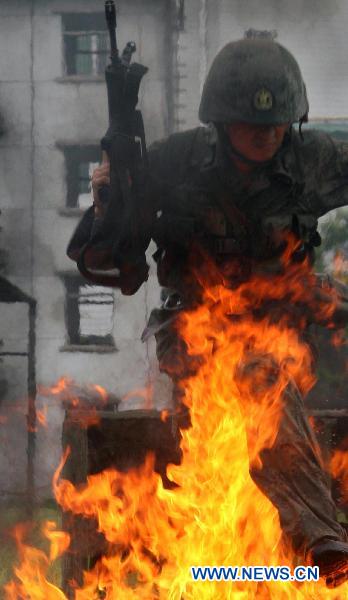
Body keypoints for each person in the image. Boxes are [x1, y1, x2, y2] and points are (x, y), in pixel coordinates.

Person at [67, 32, 348, 587]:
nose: (266, 134)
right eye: (250, 123)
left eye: (275, 124)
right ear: (220, 122)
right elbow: (108, 266)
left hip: (285, 320)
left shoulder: (313, 158)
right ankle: (319, 538)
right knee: (257, 378)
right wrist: (110, 200)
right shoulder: (175, 164)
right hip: (198, 331)